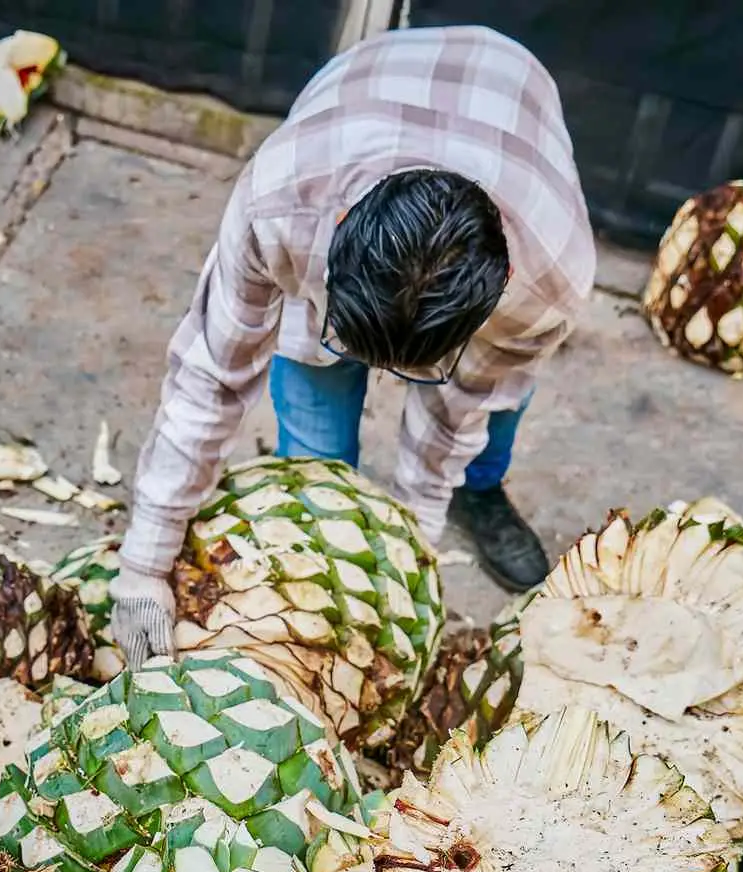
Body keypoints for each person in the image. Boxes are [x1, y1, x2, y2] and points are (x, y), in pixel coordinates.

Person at [110, 24, 597, 670]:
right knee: (314, 450)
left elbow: (460, 408)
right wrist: (145, 561)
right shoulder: (279, 200)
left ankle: (482, 493)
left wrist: (411, 556)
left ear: (500, 284)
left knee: (493, 413)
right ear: (337, 227)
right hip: (366, 85)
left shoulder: (551, 276)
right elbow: (210, 375)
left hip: (508, 89)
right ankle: (318, 525)